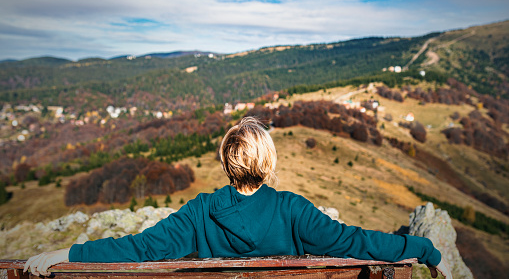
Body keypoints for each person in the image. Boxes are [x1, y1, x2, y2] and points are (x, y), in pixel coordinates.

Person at [25, 116, 452, 278]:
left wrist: (66, 251)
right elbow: (359, 242)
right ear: (268, 163)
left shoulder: (198, 213)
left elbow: (135, 248)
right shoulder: (294, 211)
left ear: (227, 163)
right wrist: (425, 248)